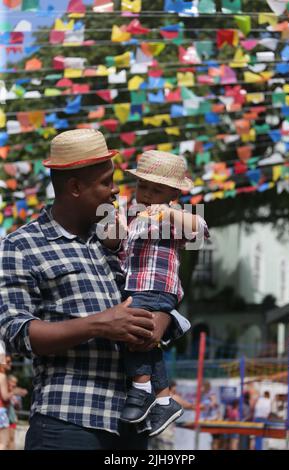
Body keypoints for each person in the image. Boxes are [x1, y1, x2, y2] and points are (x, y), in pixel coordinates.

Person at [0, 129, 189, 450]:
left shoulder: (123, 238)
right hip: (69, 422)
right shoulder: (21, 246)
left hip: (133, 427)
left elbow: (158, 289)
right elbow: (16, 334)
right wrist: (100, 324)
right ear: (74, 187)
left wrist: (162, 321)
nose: (116, 190)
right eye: (105, 182)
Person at [102, 150, 208, 438]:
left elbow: (200, 231)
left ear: (173, 193)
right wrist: (111, 215)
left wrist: (169, 211)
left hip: (158, 287)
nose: (147, 193)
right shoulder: (134, 217)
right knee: (147, 341)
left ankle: (140, 389)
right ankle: (163, 399)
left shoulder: (174, 217)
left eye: (156, 189)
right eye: (143, 186)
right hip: (135, 286)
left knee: (131, 333)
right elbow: (113, 240)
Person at [150, 380, 195, 450]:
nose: (176, 389)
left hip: (153, 429)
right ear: (172, 387)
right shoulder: (170, 396)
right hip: (165, 431)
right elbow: (188, 406)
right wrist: (199, 406)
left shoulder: (155, 395)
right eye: (175, 387)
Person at [7, 375, 28, 450]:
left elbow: (18, 408)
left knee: (11, 439)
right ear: (8, 382)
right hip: (3, 419)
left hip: (12, 419)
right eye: (13, 382)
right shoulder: (4, 390)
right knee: (4, 440)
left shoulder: (17, 395)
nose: (14, 384)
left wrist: (17, 403)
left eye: (16, 383)